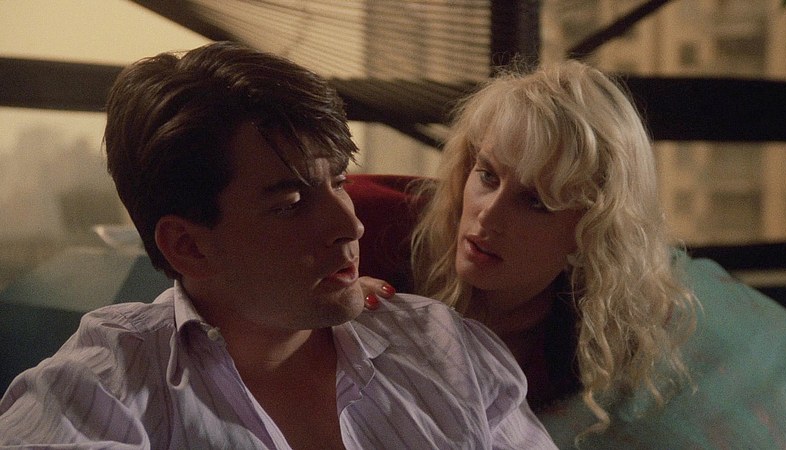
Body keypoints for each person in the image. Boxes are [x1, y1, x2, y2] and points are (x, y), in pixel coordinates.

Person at [0, 42, 557, 449]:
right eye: (290, 204)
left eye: (339, 182)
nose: (351, 225)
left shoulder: (447, 350)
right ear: (188, 246)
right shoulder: (103, 389)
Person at [359, 59, 786, 449]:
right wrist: (326, 304)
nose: (488, 216)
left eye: (536, 202)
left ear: (587, 234)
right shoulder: (374, 224)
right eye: (487, 176)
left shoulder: (573, 363)